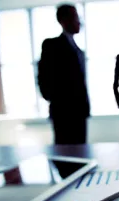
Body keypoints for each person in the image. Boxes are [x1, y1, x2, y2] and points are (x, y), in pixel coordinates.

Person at [38, 4, 90, 145]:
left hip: (79, 112)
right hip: (63, 113)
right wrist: (55, 100)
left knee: (80, 151)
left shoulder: (78, 50)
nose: (78, 21)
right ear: (63, 20)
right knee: (65, 154)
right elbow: (43, 76)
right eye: (74, 17)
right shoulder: (51, 45)